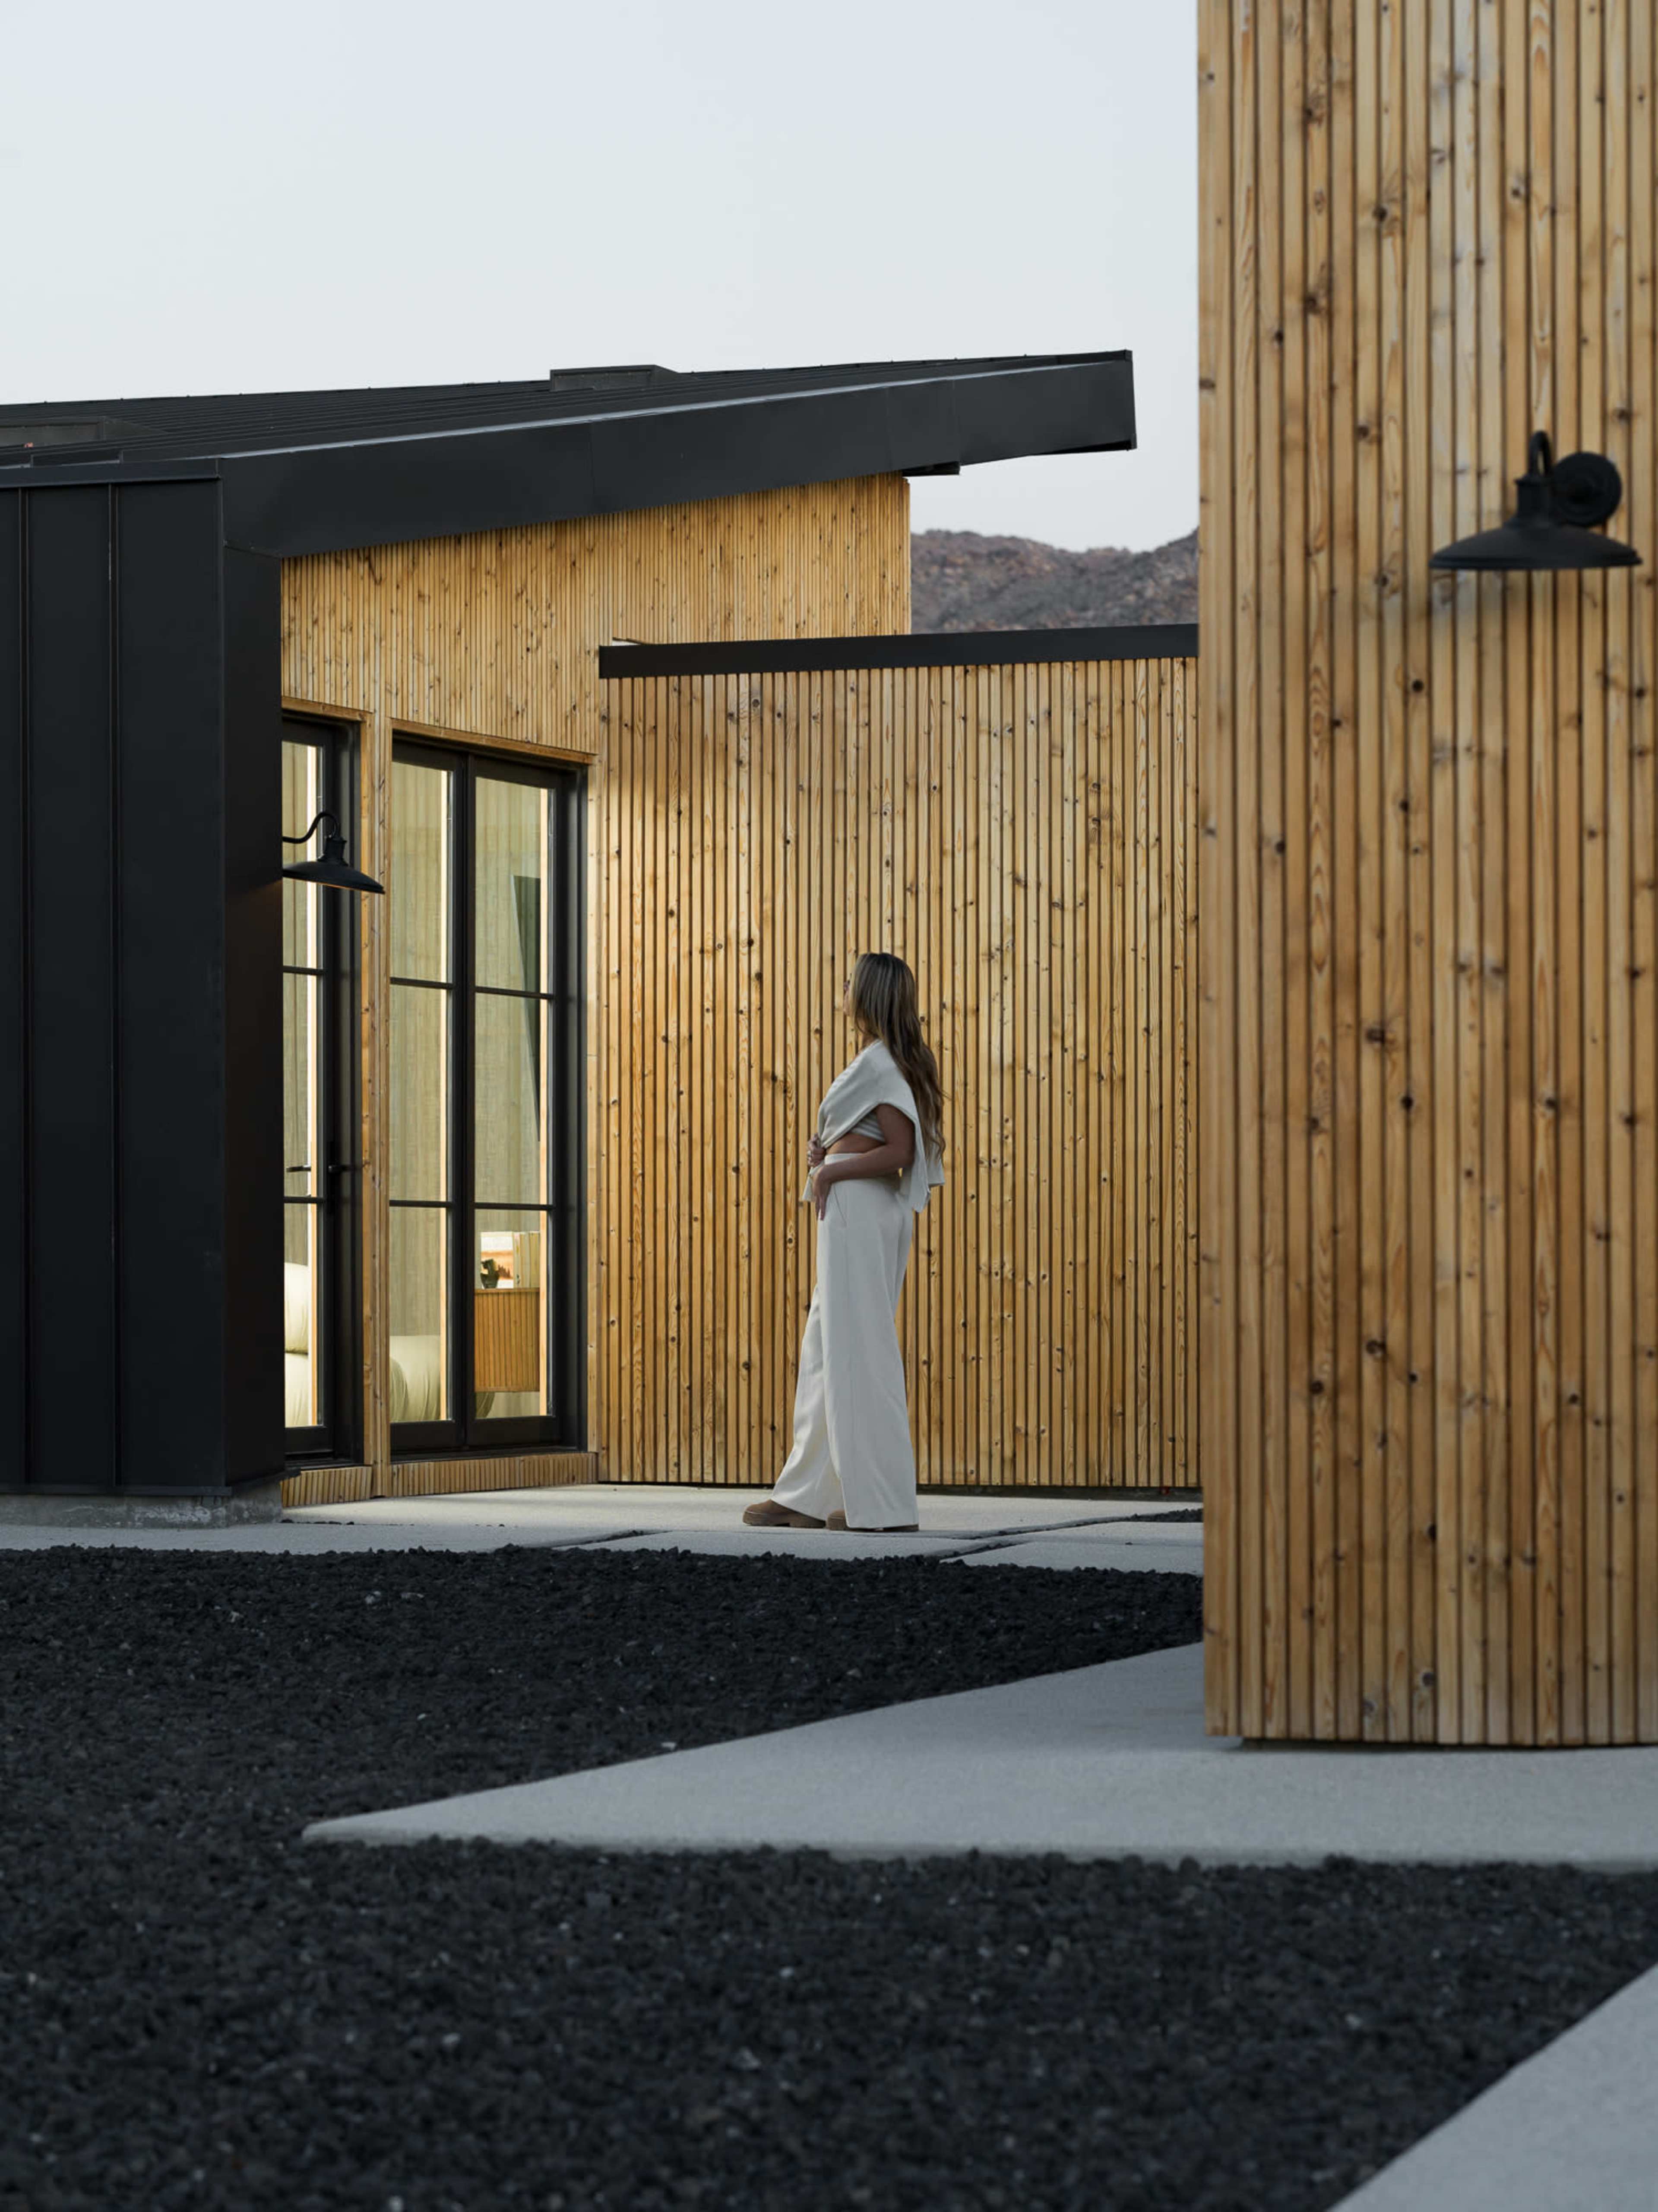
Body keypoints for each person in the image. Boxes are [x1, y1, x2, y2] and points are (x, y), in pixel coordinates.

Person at [743, 952, 945, 1533]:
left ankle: (881, 1504)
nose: (846, 990)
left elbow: (901, 1151)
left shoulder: (883, 1064)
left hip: (859, 1211)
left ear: (870, 994)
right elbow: (875, 1134)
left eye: (853, 983)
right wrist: (827, 1151)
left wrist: (830, 1171)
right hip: (856, 1213)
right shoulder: (890, 1060)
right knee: (827, 1349)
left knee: (859, 1351)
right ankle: (805, 1493)